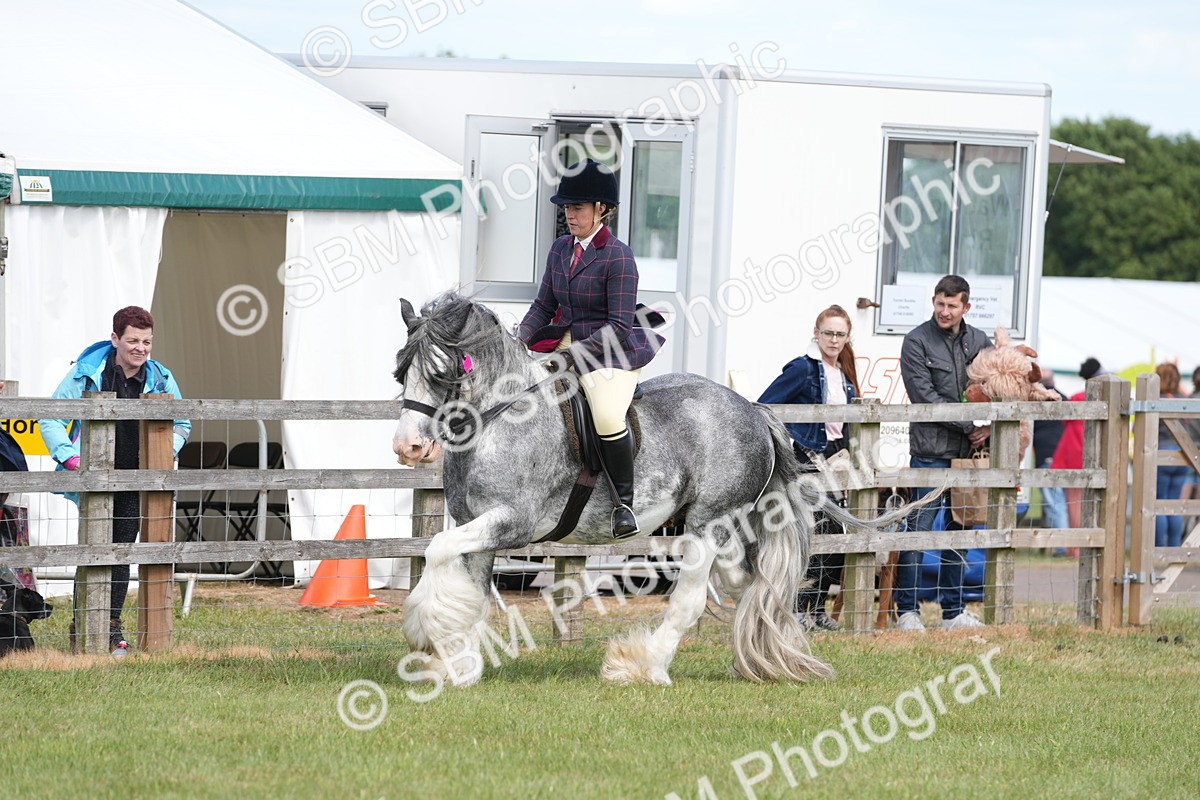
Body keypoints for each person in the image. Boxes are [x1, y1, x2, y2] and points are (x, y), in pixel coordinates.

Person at [517, 160, 663, 538]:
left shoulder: (618, 256)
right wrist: (518, 339)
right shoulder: (559, 249)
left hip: (612, 350)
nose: (569, 215)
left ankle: (624, 505)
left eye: (577, 208)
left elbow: (617, 326)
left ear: (601, 209)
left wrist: (571, 356)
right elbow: (544, 306)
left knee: (607, 416)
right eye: (566, 208)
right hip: (568, 340)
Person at [40, 306, 190, 655]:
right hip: (93, 479)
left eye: (147, 342)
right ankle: (83, 628)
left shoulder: (161, 377)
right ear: (115, 339)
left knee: (120, 553)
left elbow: (182, 423)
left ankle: (111, 630)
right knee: (93, 552)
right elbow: (50, 416)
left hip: (136, 480)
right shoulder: (87, 373)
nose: (141, 348)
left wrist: (166, 452)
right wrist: (70, 457)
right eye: (133, 340)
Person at [894, 275, 991, 632]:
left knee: (960, 530)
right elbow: (925, 398)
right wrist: (971, 425)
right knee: (918, 530)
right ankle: (908, 611)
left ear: (967, 306)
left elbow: (996, 386)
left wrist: (991, 425)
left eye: (952, 305)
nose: (944, 311)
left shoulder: (980, 341)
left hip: (969, 455)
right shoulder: (916, 341)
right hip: (931, 450)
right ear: (933, 301)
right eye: (940, 303)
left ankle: (953, 611)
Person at [758, 305, 860, 632]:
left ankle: (817, 609)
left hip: (835, 456)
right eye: (827, 333)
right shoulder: (803, 369)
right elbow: (766, 404)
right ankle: (799, 610)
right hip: (805, 456)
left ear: (847, 337)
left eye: (839, 334)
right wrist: (791, 442)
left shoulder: (844, 370)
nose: (833, 340)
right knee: (810, 534)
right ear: (815, 333)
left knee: (834, 535)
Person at [1154, 362, 1189, 547]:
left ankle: (1158, 549)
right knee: (1174, 504)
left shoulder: (1156, 398)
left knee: (1159, 503)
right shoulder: (1183, 398)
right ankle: (1174, 549)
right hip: (1183, 454)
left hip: (1162, 453)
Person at [1031, 373, 1069, 536]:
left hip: (1045, 454)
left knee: (1054, 501)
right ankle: (1069, 543)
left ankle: (1062, 544)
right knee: (1066, 500)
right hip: (1065, 455)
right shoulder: (1065, 399)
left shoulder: (1033, 401)